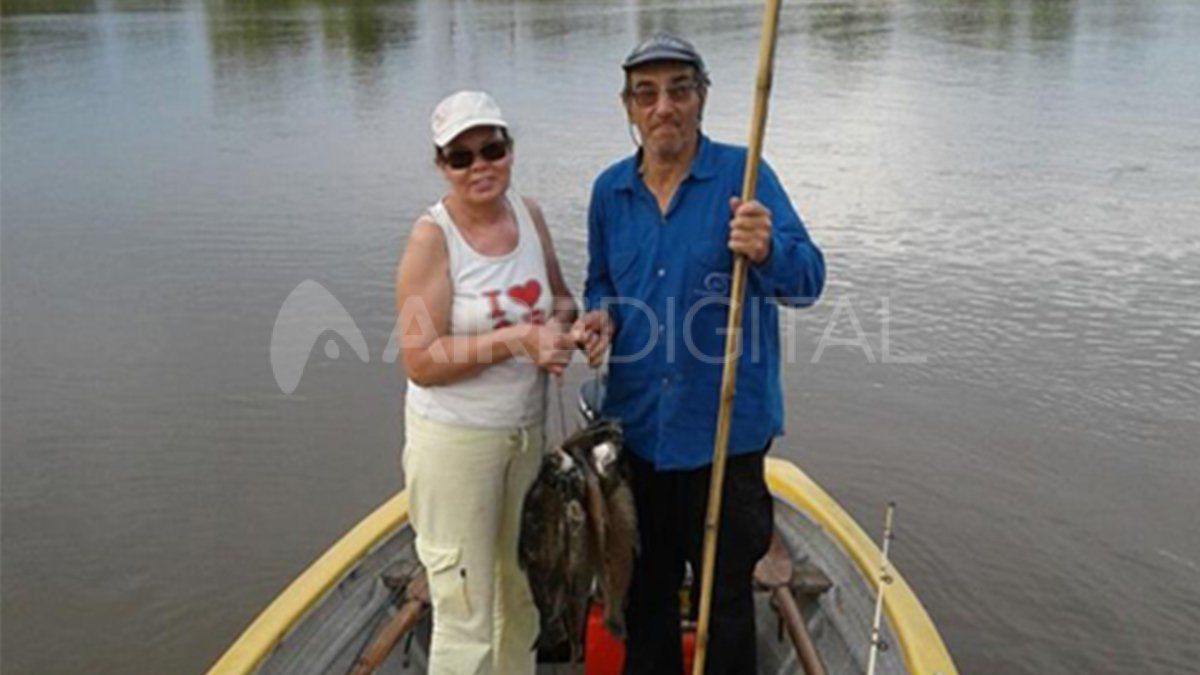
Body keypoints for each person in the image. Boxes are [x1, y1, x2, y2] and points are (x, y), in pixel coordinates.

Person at [570, 34, 826, 674]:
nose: (664, 107)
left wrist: (769, 251)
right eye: (647, 93)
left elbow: (809, 282)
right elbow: (599, 280)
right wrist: (597, 314)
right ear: (628, 107)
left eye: (679, 90)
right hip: (636, 442)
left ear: (702, 98)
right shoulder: (609, 193)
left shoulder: (747, 176)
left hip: (725, 441)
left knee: (727, 608)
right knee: (645, 599)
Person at [395, 90, 577, 675]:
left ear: (510, 150)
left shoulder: (529, 214)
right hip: (456, 443)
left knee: (520, 594)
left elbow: (561, 302)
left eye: (491, 149)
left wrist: (576, 330)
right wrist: (519, 341)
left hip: (523, 438)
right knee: (464, 610)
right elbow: (419, 359)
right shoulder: (433, 237)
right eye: (461, 156)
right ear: (441, 165)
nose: (480, 166)